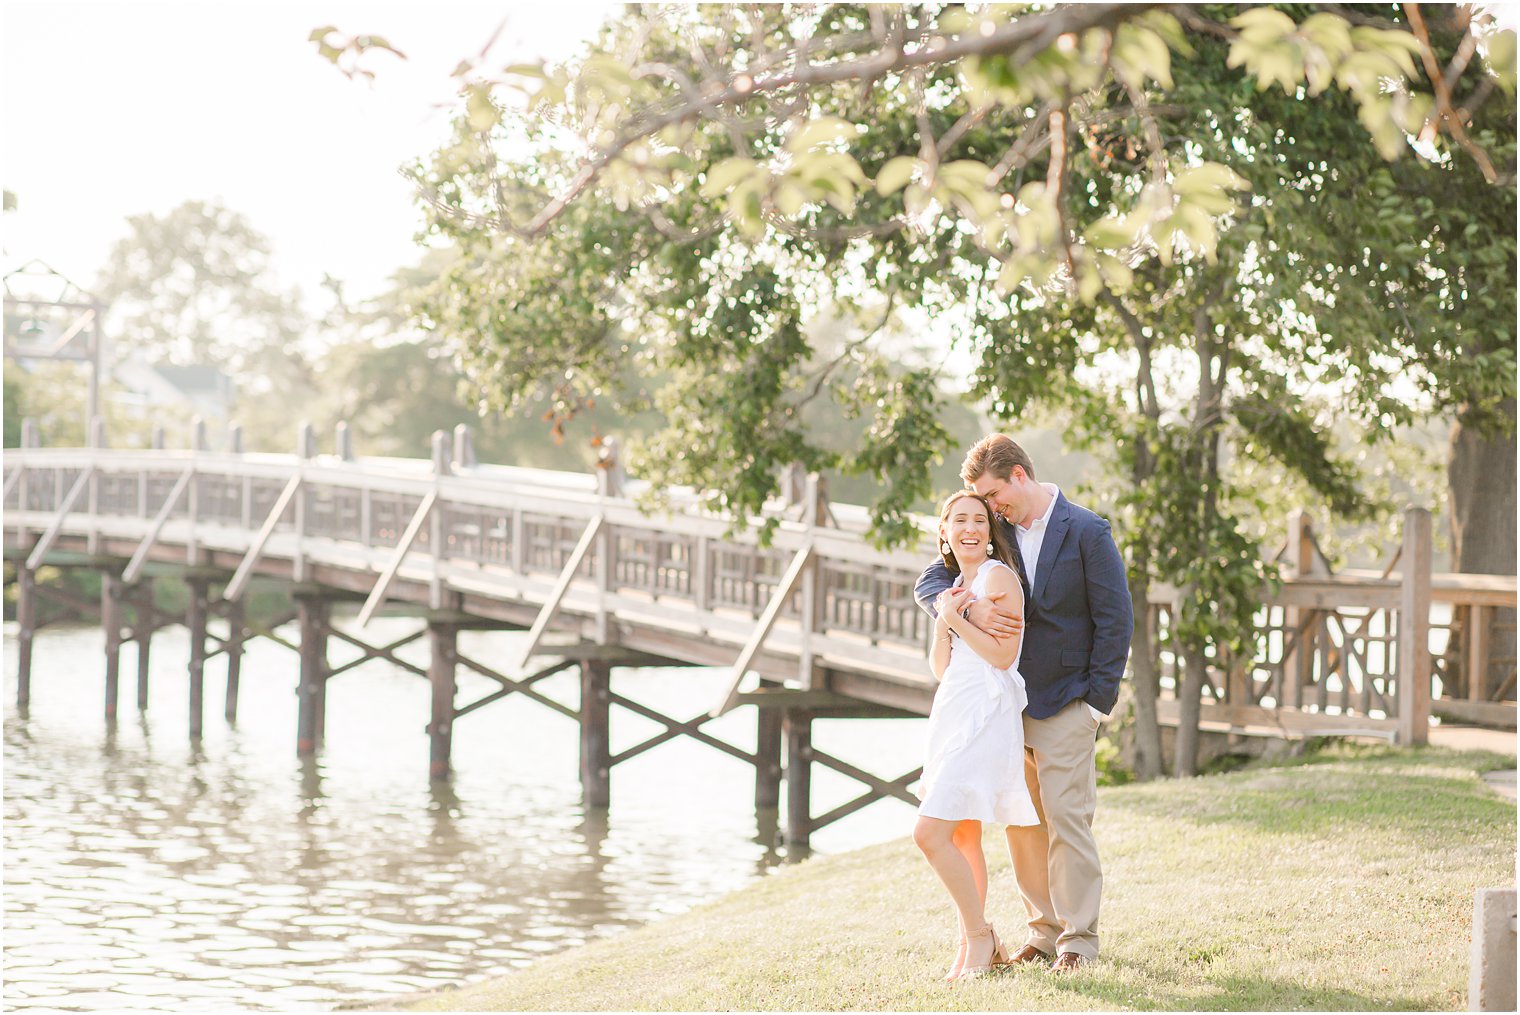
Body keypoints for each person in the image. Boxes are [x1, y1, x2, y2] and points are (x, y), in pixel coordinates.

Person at [915, 434, 1132, 973]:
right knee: (1022, 822)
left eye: (993, 497)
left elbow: (1115, 620)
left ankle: (1078, 942)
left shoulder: (1085, 530)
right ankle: (1042, 931)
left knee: (1067, 820)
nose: (989, 511)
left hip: (1066, 703)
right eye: (982, 504)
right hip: (1007, 707)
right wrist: (958, 608)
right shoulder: (999, 528)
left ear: (1018, 476)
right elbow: (932, 578)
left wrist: (1096, 704)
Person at [913, 489, 1038, 982]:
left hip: (987, 713)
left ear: (990, 532)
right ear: (943, 531)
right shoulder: (954, 586)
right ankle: (970, 945)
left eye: (979, 521)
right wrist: (946, 619)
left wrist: (955, 619)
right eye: (959, 520)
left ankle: (981, 935)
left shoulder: (998, 578)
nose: (970, 529)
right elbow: (941, 668)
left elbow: (1003, 657)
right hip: (954, 707)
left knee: (929, 832)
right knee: (962, 835)